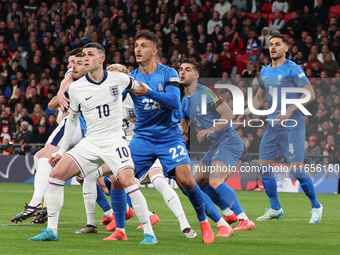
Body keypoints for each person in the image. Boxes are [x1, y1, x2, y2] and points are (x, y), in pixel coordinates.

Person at [28, 42, 157, 245]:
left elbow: (142, 88)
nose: (85, 58)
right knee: (55, 175)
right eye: (83, 55)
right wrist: (61, 151)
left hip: (115, 141)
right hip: (91, 142)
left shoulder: (120, 79)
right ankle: (51, 230)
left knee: (128, 181)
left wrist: (155, 98)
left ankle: (149, 234)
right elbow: (71, 119)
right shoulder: (77, 88)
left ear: (102, 58)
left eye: (89, 55)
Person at [128, 30, 214, 243]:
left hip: (169, 137)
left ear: (154, 50)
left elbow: (174, 101)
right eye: (136, 45)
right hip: (142, 138)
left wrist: (147, 92)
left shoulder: (169, 73)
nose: (138, 49)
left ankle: (203, 222)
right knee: (119, 182)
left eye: (144, 45)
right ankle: (121, 229)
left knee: (186, 180)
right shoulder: (131, 78)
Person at [103, 63, 197, 239]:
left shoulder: (137, 91)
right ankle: (126, 218)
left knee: (159, 181)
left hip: (150, 142)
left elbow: (168, 105)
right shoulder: (113, 99)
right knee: (112, 181)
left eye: (115, 77)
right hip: (128, 147)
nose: (111, 81)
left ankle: (184, 224)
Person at [237, 34, 323, 223]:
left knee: (297, 170)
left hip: (293, 126)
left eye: (277, 44)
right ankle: (275, 208)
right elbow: (260, 98)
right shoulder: (265, 72)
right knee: (264, 166)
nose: (273, 47)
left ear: (286, 48)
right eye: (271, 45)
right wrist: (247, 110)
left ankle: (317, 206)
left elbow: (310, 94)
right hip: (272, 126)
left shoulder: (294, 69)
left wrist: (290, 108)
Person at [179, 59, 255, 232]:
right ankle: (228, 213)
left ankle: (244, 218)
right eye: (181, 69)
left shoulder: (205, 92)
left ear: (196, 75)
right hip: (215, 147)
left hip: (229, 141)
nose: (182, 72)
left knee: (215, 181)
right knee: (193, 185)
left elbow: (228, 114)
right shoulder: (184, 101)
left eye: (188, 69)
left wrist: (211, 129)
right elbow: (183, 127)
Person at [11, 49, 85, 224]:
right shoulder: (71, 77)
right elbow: (52, 104)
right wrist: (61, 93)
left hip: (73, 124)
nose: (70, 65)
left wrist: (63, 94)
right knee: (39, 157)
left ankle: (36, 203)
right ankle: (45, 206)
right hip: (72, 125)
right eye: (69, 61)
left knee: (47, 158)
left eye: (74, 61)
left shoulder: (85, 77)